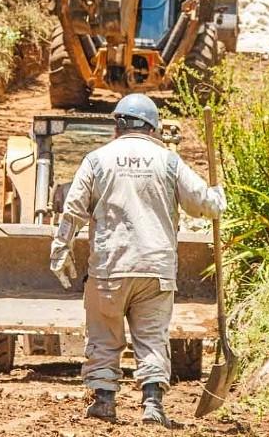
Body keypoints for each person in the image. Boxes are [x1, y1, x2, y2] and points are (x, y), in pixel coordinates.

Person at [49, 94, 226, 427]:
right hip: (156, 270)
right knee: (153, 337)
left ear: (117, 124)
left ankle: (102, 401)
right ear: (153, 128)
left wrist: (61, 248)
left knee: (102, 336)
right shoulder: (168, 160)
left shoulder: (97, 159)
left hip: (109, 268)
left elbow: (74, 207)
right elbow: (203, 204)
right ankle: (153, 405)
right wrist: (218, 198)